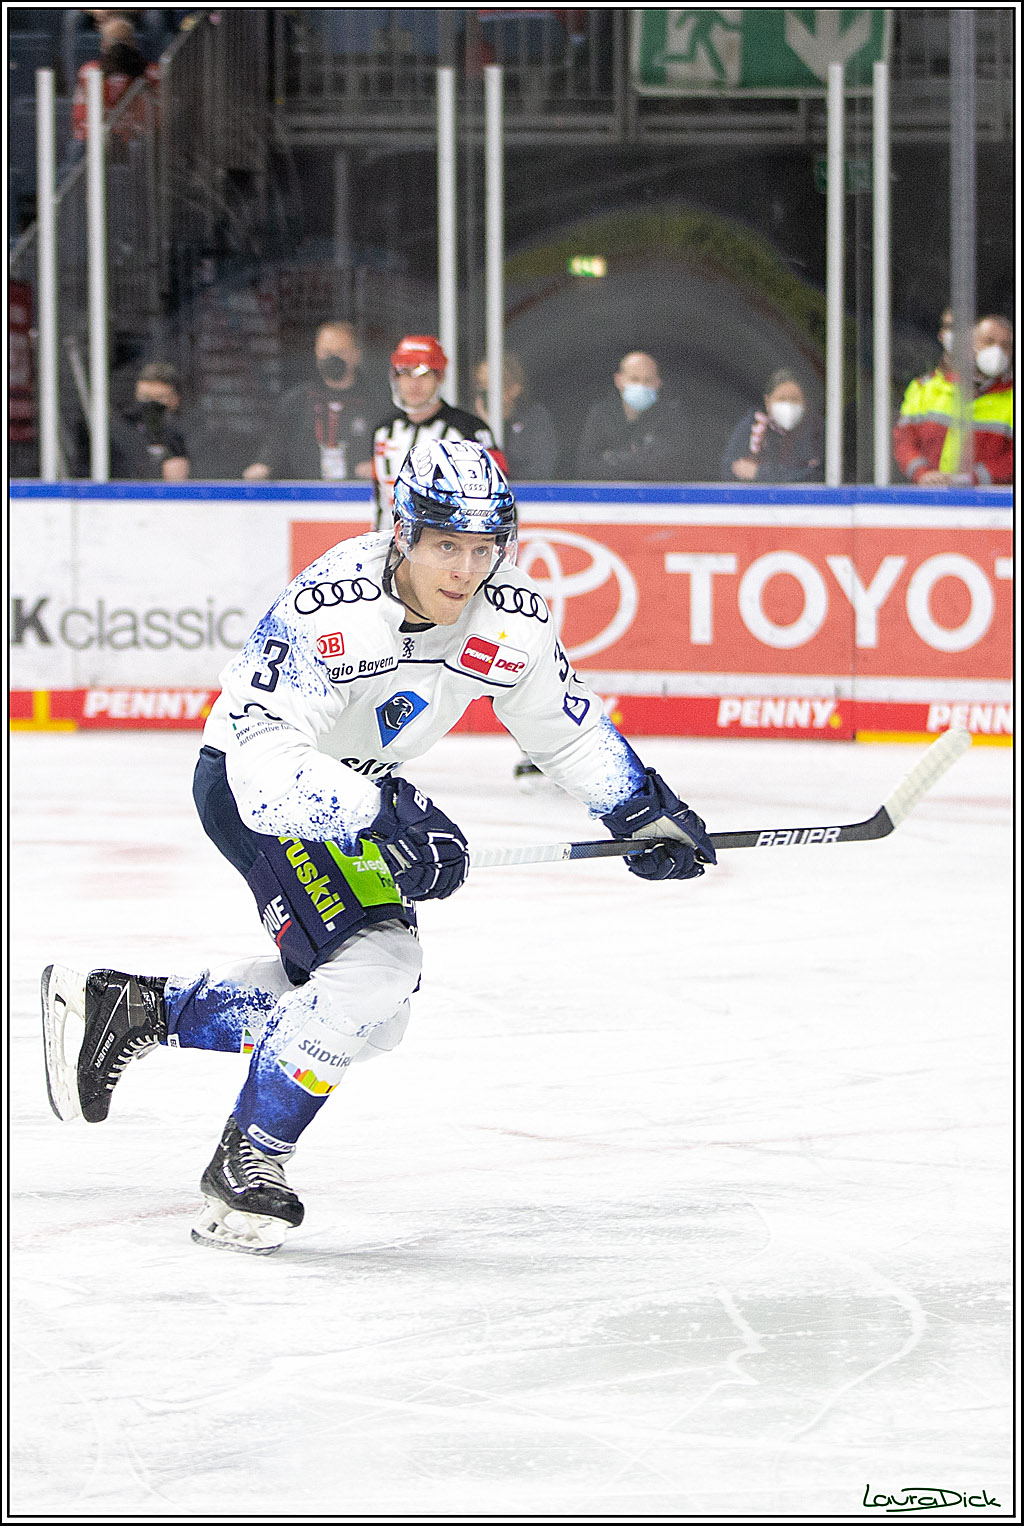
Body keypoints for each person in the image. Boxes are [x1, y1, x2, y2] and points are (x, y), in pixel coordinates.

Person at [40, 438, 717, 1256]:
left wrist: (638, 809)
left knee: (373, 1015)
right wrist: (384, 814)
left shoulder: (515, 619)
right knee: (377, 968)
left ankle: (135, 1007)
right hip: (262, 792)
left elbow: (562, 732)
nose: (465, 570)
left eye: (482, 547)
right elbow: (264, 769)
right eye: (445, 546)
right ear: (404, 534)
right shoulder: (328, 610)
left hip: (351, 796)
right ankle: (246, 1167)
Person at [371, 335, 504, 529]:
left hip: (451, 547)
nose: (414, 384)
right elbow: (380, 502)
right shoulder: (383, 431)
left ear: (439, 377)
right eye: (406, 373)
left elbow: (499, 496)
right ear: (395, 378)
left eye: (423, 373)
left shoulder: (469, 430)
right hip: (393, 547)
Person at [242, 320, 374, 484]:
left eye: (340, 351)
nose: (333, 358)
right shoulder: (297, 401)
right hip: (306, 498)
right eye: (326, 352)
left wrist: (378, 468)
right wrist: (262, 467)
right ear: (316, 353)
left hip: (361, 498)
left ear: (356, 354)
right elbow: (274, 449)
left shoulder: (375, 401)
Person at [893, 313, 1014, 486]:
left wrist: (974, 478)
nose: (997, 351)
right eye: (988, 341)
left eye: (1005, 346)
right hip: (928, 499)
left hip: (989, 505)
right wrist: (923, 474)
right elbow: (903, 441)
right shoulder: (925, 388)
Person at [576, 351, 690, 481]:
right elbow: (586, 467)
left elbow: (664, 468)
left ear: (658, 383)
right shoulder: (600, 414)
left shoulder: (671, 418)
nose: (641, 386)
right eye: (634, 379)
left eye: (648, 380)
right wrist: (638, 459)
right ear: (619, 381)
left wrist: (612, 458)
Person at [720, 369, 825, 484]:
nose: (788, 406)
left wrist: (759, 473)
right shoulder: (752, 426)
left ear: (804, 402)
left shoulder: (817, 429)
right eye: (781, 399)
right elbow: (731, 468)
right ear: (767, 402)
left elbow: (819, 474)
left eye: (794, 399)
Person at [96, 360, 190, 480]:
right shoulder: (117, 433)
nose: (150, 406)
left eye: (159, 398)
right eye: (145, 398)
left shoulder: (187, 433)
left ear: (174, 399)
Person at [473, 352, 559, 479]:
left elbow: (541, 470)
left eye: (492, 386)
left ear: (515, 389)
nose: (486, 393)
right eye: (482, 385)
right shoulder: (468, 421)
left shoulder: (534, 418)